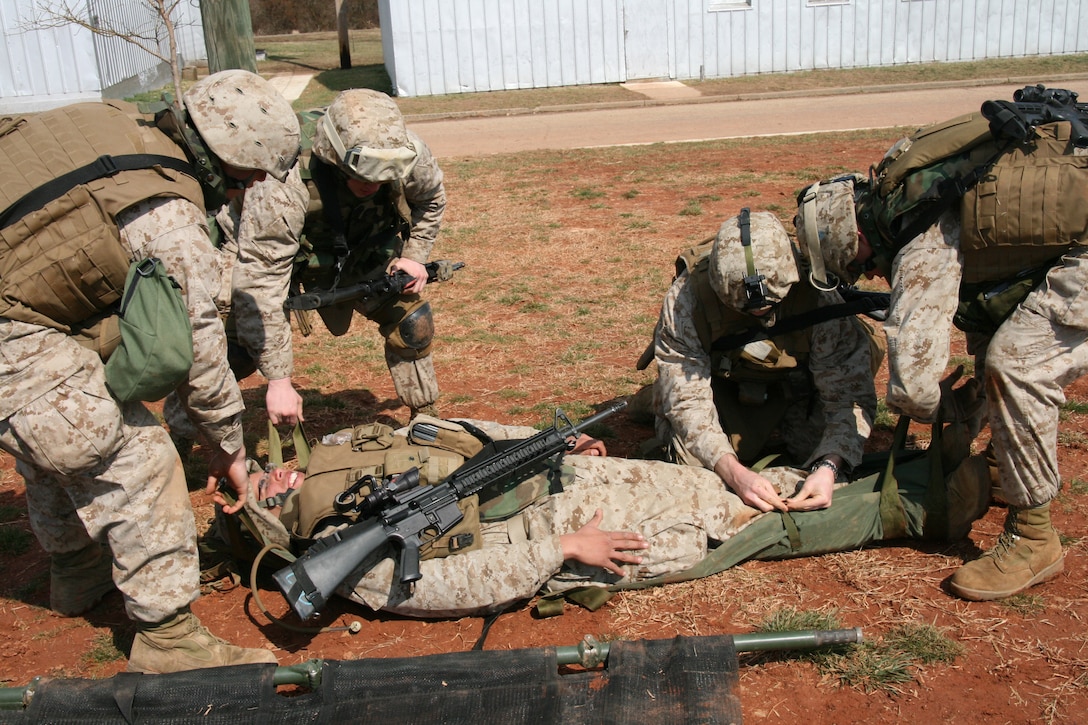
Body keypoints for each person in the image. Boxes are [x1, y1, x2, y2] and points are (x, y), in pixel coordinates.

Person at [0, 70, 296, 673]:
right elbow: (201, 347)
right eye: (249, 175)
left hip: (21, 307)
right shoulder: (167, 215)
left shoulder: (116, 124)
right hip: (12, 332)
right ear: (224, 158)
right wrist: (229, 447)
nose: (252, 187)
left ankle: (77, 571)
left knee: (54, 435)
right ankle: (170, 641)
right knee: (136, 456)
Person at [242, 413, 989, 620]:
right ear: (279, 525)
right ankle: (916, 506)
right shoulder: (343, 557)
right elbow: (448, 587)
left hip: (557, 477)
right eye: (266, 493)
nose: (273, 475)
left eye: (260, 469)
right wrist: (566, 547)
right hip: (563, 537)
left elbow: (449, 434)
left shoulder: (348, 448)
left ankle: (894, 466)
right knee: (730, 532)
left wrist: (544, 441)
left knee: (711, 488)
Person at [793, 160, 1086, 601]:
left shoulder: (920, 237)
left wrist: (950, 409)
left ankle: (1033, 537)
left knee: (1016, 365)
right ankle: (1004, 468)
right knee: (994, 332)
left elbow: (912, 387)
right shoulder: (916, 186)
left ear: (857, 238)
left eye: (858, 264)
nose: (868, 275)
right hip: (1068, 244)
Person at [650, 210, 881, 514]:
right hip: (723, 385)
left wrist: (829, 465)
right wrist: (734, 473)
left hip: (797, 387)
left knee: (820, 459)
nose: (760, 313)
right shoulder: (687, 300)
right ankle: (656, 397)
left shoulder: (818, 294)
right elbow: (688, 401)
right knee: (697, 470)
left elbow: (847, 396)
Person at [164, 71, 310, 455]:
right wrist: (279, 380)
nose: (259, 180)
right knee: (218, 339)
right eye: (249, 171)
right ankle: (177, 446)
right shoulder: (167, 205)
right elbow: (258, 280)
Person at [297, 88, 448, 418]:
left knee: (412, 323)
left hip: (369, 252)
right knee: (237, 341)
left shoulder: (407, 152)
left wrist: (414, 256)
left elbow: (431, 199)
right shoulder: (289, 162)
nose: (373, 185)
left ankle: (426, 419)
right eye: (363, 173)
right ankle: (201, 429)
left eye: (384, 176)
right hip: (293, 261)